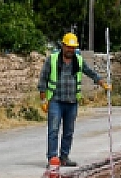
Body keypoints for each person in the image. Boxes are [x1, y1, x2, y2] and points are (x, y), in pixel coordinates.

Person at [40, 32, 107, 167]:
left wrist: (101, 82)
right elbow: (43, 79)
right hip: (55, 100)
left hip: (72, 102)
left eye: (73, 47)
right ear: (63, 46)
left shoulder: (78, 60)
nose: (70, 50)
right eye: (68, 47)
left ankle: (64, 157)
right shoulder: (52, 59)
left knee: (68, 132)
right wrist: (43, 100)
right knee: (53, 130)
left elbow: (90, 72)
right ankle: (52, 159)